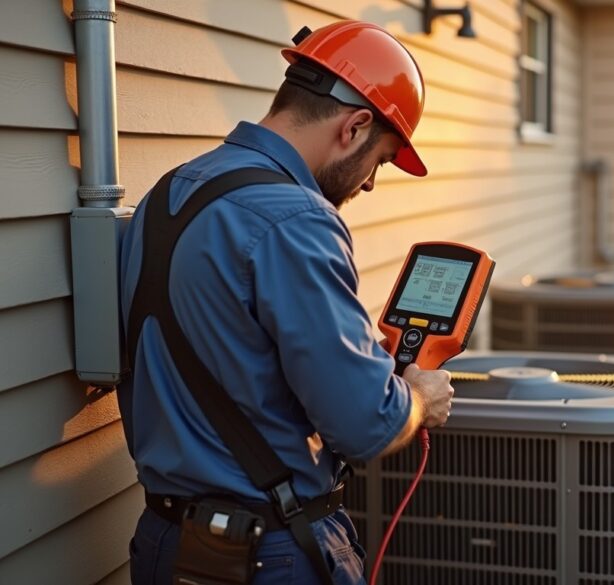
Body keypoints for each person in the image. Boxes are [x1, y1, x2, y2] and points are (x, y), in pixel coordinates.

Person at [117, 20, 453, 585]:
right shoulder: (298, 218)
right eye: (382, 159)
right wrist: (416, 397)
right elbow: (365, 424)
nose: (370, 183)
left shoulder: (169, 192)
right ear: (356, 126)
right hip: (263, 554)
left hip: (163, 542)